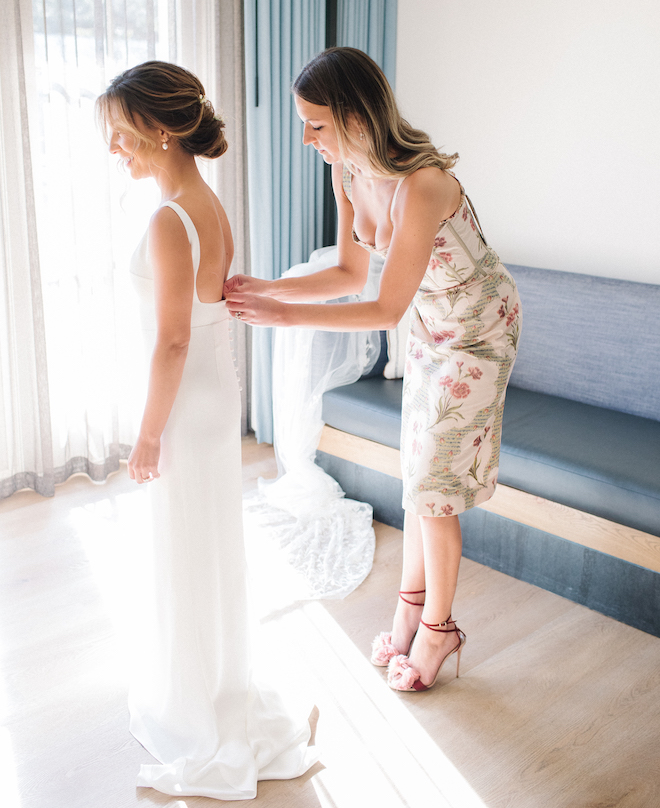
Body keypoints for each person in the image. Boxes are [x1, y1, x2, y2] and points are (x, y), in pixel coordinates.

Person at [224, 47, 522, 693]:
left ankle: (440, 632)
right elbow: (349, 275)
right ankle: (410, 610)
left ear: (359, 117)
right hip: (428, 325)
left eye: (317, 124)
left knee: (434, 490)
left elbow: (384, 307)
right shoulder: (350, 174)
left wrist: (285, 316)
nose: (307, 137)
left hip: (474, 333)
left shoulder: (425, 182)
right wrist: (271, 288)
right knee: (417, 475)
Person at [96, 61, 316, 798]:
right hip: (218, 398)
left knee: (185, 553)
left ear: (160, 130)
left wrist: (149, 434)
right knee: (209, 548)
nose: (116, 150)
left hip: (188, 406)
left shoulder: (168, 218)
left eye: (122, 136)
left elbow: (172, 341)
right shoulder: (207, 204)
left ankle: (197, 709)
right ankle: (214, 687)